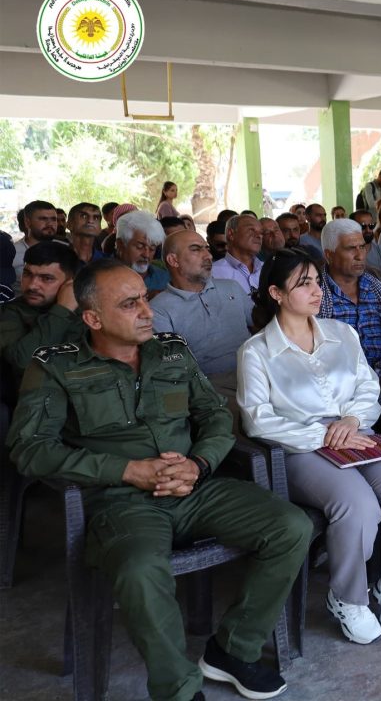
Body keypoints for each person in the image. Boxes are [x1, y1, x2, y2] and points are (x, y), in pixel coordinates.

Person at [8, 258, 311, 701]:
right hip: (120, 501)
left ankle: (233, 649)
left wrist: (199, 465)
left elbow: (213, 416)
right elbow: (29, 449)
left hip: (194, 488)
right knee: (139, 570)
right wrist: (127, 470)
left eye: (144, 300)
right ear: (93, 318)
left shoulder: (170, 350)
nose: (147, 312)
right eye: (130, 305)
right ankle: (178, 689)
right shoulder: (56, 366)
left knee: (291, 526)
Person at [237, 247, 381, 644]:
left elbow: (367, 386)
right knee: (356, 503)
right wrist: (324, 435)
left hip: (355, 432)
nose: (317, 291)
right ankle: (348, 596)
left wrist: (351, 421)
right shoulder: (257, 352)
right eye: (304, 283)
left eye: (317, 281)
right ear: (276, 293)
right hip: (301, 447)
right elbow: (257, 419)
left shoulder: (341, 333)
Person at [151, 229, 253, 385]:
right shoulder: (159, 309)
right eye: (196, 249)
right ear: (173, 260)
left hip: (255, 371)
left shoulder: (232, 287)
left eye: (207, 248)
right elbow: (173, 368)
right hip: (209, 386)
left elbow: (260, 326)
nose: (209, 256)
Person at [317, 219, 381, 386]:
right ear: (329, 255)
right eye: (351, 249)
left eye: (362, 247)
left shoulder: (375, 285)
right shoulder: (315, 293)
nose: (360, 256)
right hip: (339, 385)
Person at [0, 242, 85, 395]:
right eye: (27, 274)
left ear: (70, 282)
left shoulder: (88, 311)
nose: (32, 285)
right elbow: (23, 362)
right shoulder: (12, 312)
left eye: (46, 278)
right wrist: (62, 310)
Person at [114, 210, 171, 294]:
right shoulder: (101, 277)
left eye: (152, 248)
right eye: (139, 246)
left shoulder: (164, 278)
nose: (146, 255)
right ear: (120, 245)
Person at [211, 214, 264, 295]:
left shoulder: (268, 269)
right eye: (251, 230)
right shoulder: (213, 273)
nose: (259, 236)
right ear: (231, 234)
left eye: (261, 232)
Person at [11, 200, 58, 278]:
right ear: (27, 222)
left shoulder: (66, 249)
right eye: (43, 219)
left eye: (53, 219)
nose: (50, 224)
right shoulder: (13, 253)